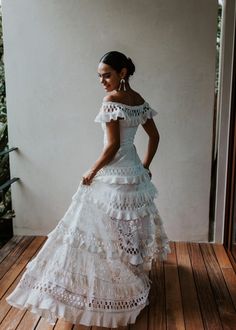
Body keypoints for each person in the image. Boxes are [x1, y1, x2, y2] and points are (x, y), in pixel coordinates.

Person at [6, 51, 171, 328]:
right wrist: (144, 166)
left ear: (122, 73)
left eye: (107, 74)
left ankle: (113, 284)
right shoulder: (138, 100)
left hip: (113, 174)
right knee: (122, 228)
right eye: (99, 76)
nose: (102, 81)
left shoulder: (111, 101)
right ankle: (126, 275)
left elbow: (112, 146)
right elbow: (154, 136)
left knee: (98, 229)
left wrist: (91, 171)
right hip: (133, 175)